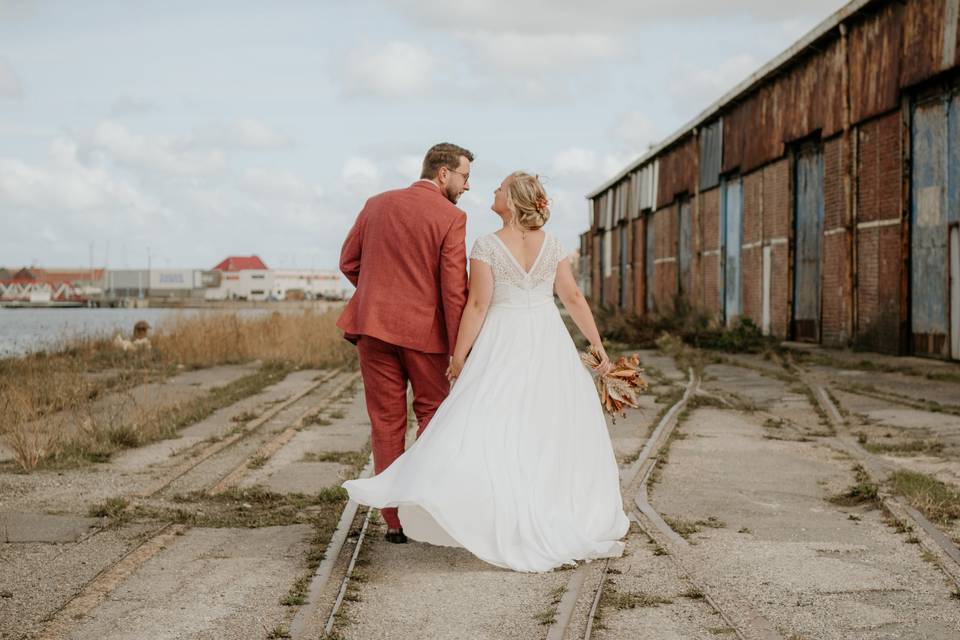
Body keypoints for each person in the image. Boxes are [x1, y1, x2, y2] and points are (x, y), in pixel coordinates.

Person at [344, 171, 629, 572]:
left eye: (499, 188)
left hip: (503, 341)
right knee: (547, 428)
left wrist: (459, 356)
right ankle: (552, 510)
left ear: (510, 201)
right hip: (548, 339)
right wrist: (598, 346)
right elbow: (573, 297)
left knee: (492, 423)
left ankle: (493, 509)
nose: (491, 191)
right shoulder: (552, 245)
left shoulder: (487, 246)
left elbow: (477, 305)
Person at [337, 142, 473, 543]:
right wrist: (459, 349)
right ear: (444, 173)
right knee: (432, 414)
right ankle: (422, 507)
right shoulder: (451, 217)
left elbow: (348, 262)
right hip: (424, 336)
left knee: (386, 421)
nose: (468, 186)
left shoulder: (376, 204)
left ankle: (393, 521)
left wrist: (378, 293)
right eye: (465, 177)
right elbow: (453, 290)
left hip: (373, 328)